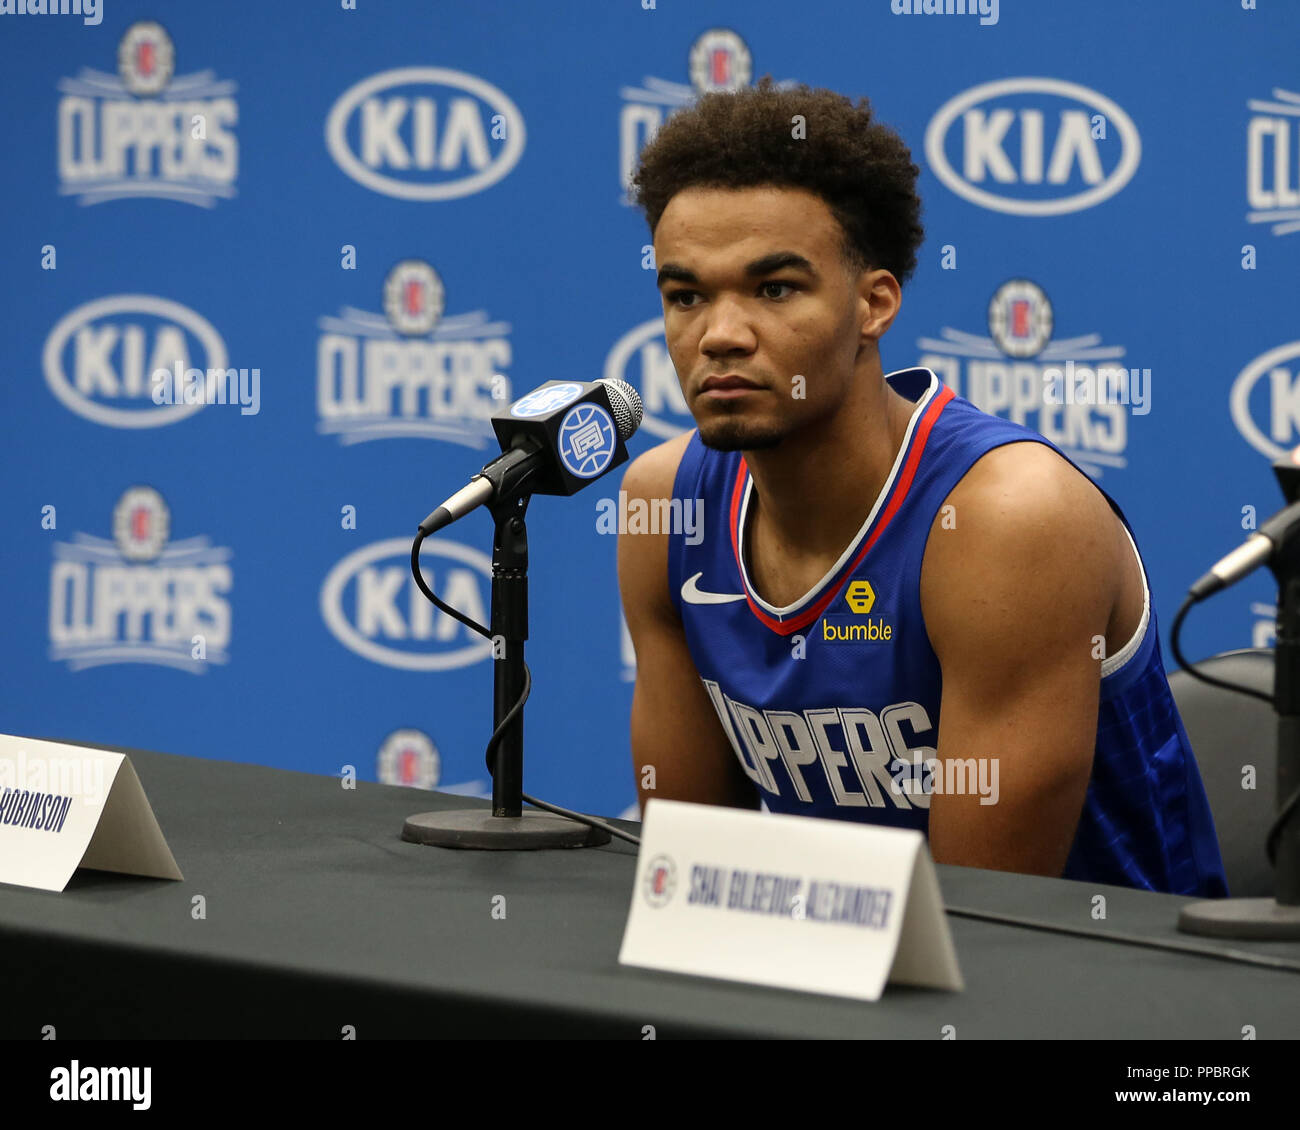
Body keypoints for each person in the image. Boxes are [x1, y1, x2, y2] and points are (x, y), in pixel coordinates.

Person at [617, 77, 1227, 897]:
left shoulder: (1007, 517)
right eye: (686, 295)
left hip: (1109, 997)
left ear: (874, 305)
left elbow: (989, 930)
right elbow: (696, 878)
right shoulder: (668, 506)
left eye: (774, 289)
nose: (720, 335)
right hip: (829, 986)